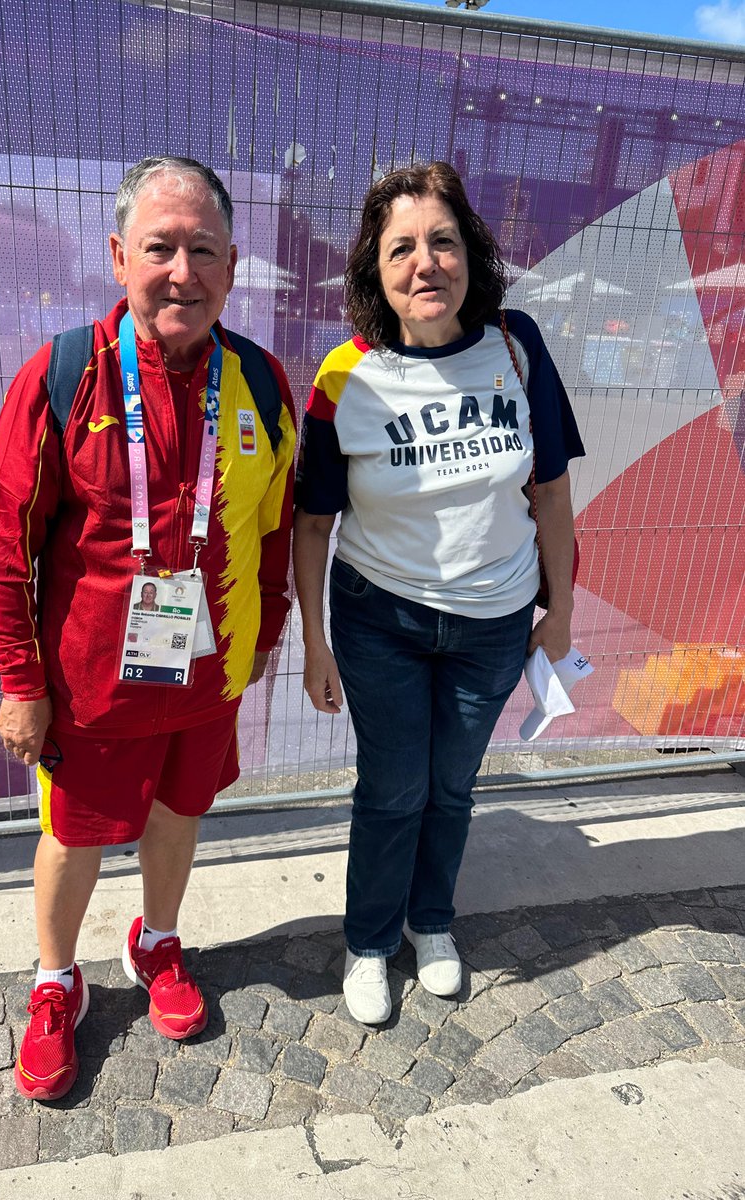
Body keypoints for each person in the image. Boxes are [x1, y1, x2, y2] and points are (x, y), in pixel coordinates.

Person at [0, 157, 296, 1098]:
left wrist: (265, 633)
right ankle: (55, 980)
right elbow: (1, 539)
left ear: (232, 267)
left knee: (179, 817)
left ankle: (157, 943)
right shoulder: (65, 373)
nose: (181, 271)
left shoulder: (263, 383)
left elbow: (273, 527)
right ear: (120, 257)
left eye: (203, 250)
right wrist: (22, 682)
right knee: (73, 836)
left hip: (205, 672)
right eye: (160, 248)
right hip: (88, 687)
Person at [294, 163, 584, 1024]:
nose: (427, 263)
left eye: (443, 241)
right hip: (379, 618)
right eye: (402, 248)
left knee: (452, 787)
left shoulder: (517, 344)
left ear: (471, 254)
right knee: (392, 789)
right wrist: (315, 642)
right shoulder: (345, 377)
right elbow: (312, 527)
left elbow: (553, 494)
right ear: (375, 272)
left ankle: (431, 923)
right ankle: (371, 941)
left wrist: (558, 609)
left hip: (493, 624)